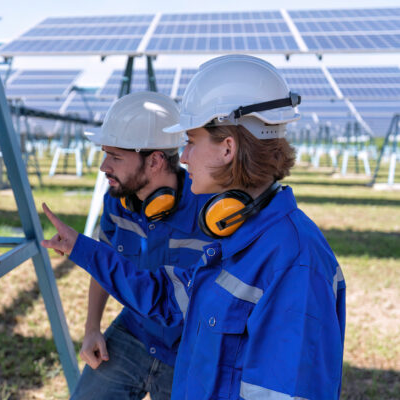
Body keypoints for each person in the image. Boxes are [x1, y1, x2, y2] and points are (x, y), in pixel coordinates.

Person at [43, 55, 346, 399]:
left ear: (227, 148)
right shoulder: (235, 234)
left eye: (191, 141)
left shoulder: (294, 262)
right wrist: (80, 247)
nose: (183, 156)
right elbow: (165, 300)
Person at [71, 91, 212, 400]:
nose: (104, 166)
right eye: (105, 154)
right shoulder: (116, 201)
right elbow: (105, 263)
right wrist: (92, 328)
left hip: (190, 349)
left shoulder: (209, 211)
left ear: (156, 160)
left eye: (116, 157)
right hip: (135, 330)